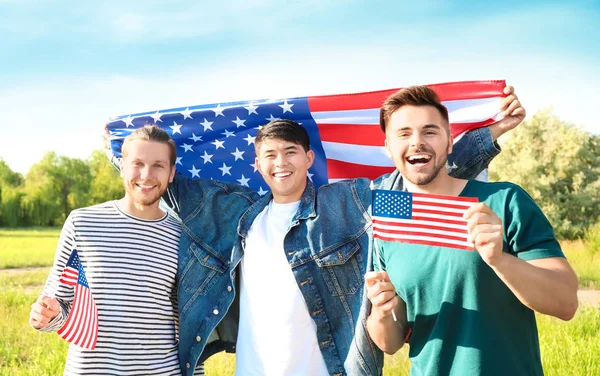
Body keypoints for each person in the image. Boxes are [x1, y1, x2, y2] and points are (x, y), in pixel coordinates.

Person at [105, 85, 525, 375]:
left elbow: (416, 181)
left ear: (309, 158)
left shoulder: (343, 205)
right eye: (269, 155)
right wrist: (118, 146)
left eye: (291, 152)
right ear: (257, 164)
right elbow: (158, 180)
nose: (280, 162)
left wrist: (489, 134)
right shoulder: (237, 214)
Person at [364, 86, 578, 376]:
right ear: (388, 147)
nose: (417, 143)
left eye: (430, 132)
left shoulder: (504, 200)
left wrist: (500, 260)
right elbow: (390, 343)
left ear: (450, 142)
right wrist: (381, 308)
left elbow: (565, 303)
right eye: (404, 134)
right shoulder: (389, 218)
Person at [29, 126, 204, 375]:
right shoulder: (82, 223)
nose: (146, 175)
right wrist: (45, 317)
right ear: (121, 166)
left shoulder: (184, 236)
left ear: (172, 173)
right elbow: (59, 301)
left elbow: (190, 326)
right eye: (137, 163)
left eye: (158, 165)